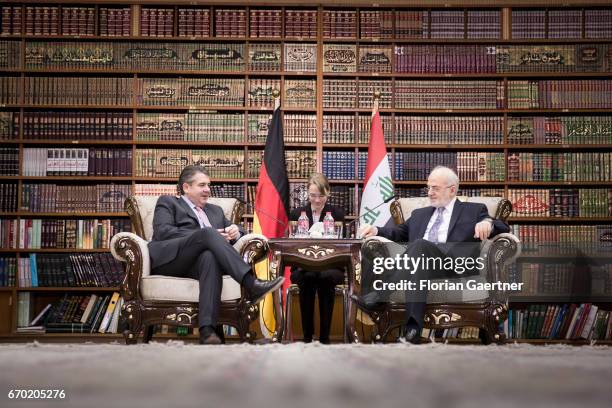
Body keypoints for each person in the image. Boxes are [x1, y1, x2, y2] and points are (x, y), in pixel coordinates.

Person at [353, 165, 509, 343]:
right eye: (428, 187)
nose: (429, 192)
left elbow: (504, 227)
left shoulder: (473, 210)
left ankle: (379, 295)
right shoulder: (420, 214)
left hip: (455, 266)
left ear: (452, 190)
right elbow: (398, 233)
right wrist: (375, 229)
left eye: (435, 188)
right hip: (421, 264)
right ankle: (412, 332)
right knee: (419, 256)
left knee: (419, 247)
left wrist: (488, 223)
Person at [149, 165, 284, 344]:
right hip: (171, 259)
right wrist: (203, 236)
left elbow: (233, 233)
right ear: (186, 187)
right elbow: (163, 232)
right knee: (208, 233)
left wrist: (238, 231)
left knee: (210, 257)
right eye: (202, 185)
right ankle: (251, 283)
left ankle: (207, 331)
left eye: (209, 185)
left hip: (197, 264)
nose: (207, 190)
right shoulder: (168, 202)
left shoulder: (215, 211)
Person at [289, 173, 345, 344]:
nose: (317, 200)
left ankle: (324, 338)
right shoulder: (297, 214)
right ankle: (307, 337)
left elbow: (341, 245)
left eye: (321, 196)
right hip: (303, 267)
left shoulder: (336, 214)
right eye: (313, 195)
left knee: (325, 277)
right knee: (308, 277)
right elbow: (291, 246)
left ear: (328, 193)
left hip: (331, 266)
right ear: (307, 194)